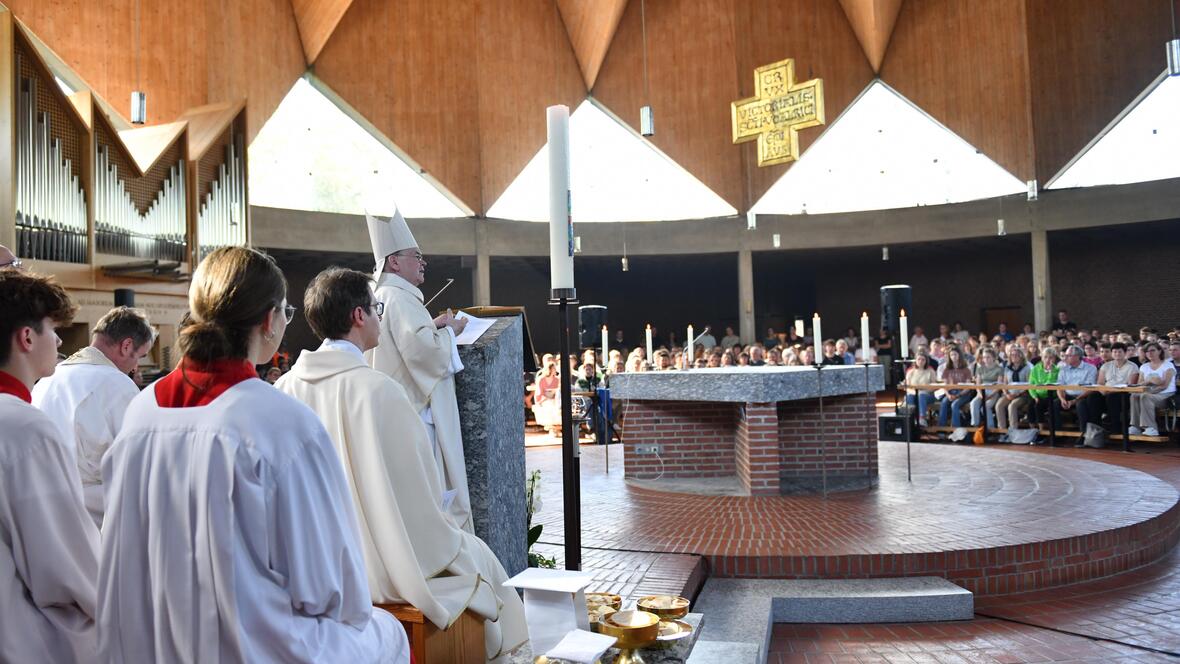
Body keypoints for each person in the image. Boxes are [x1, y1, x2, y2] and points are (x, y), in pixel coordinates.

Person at [98, 247, 408, 662]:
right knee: (388, 634)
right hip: (250, 649)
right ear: (268, 319)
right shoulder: (278, 421)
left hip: (148, 646)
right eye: (286, 313)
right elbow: (331, 591)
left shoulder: (140, 411)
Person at [276, 268, 527, 660]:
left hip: (312, 568)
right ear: (359, 316)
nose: (381, 317)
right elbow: (422, 501)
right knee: (479, 560)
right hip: (382, 569)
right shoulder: (381, 391)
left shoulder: (284, 388)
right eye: (376, 309)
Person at [0, 269, 98, 663]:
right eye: (52, 329)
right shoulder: (25, 428)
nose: (59, 341)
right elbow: (67, 568)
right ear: (26, 337)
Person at [365, 208, 473, 532]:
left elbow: (407, 342)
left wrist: (433, 325)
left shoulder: (384, 297)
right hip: (417, 415)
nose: (423, 262)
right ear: (394, 262)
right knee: (432, 499)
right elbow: (425, 354)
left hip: (397, 413)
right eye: (417, 256)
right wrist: (451, 330)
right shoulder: (399, 298)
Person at [31, 306, 154, 525]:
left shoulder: (48, 378)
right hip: (95, 517)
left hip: (42, 510)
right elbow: (140, 464)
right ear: (126, 346)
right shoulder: (117, 384)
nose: (136, 367)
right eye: (140, 357)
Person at [1083, 342, 1138, 436]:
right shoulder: (1106, 366)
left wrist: (1110, 391)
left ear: (1125, 353)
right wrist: (1103, 391)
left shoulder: (1132, 366)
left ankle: (1115, 428)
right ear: (1112, 353)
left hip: (1123, 394)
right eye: (1115, 352)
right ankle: (1096, 429)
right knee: (1093, 397)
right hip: (1106, 392)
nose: (1117, 354)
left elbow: (1131, 385)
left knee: (1112, 398)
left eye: (1119, 352)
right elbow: (1100, 383)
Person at [1129, 342, 1175, 437]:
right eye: (1147, 351)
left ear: (1159, 351)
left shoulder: (1168, 365)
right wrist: (1149, 381)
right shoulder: (1144, 366)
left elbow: (1164, 385)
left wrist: (1150, 390)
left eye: (1152, 350)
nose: (1149, 353)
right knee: (1134, 396)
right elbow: (1140, 384)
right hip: (1149, 393)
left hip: (1166, 395)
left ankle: (1151, 427)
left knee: (1145, 397)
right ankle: (1135, 426)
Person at [995, 346, 1032, 436]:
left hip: (1022, 394)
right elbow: (1004, 383)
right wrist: (1006, 393)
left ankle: (1013, 432)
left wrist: (1017, 394)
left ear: (1021, 356)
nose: (1014, 357)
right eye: (1012, 355)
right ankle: (1002, 432)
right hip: (1009, 393)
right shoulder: (1007, 368)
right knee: (999, 405)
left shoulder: (1027, 368)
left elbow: (1029, 384)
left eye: (1016, 355)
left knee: (1012, 406)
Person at [1029, 347, 1061, 435]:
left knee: (1038, 406)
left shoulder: (1056, 370)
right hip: (1037, 394)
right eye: (1045, 357)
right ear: (1042, 358)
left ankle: (1041, 430)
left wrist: (1050, 372)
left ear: (1054, 359)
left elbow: (1050, 384)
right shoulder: (1036, 368)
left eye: (1051, 357)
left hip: (1050, 395)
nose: (1048, 360)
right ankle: (1032, 430)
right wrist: (1035, 396)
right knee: (1030, 405)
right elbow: (1031, 384)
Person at [969, 347, 1003, 428]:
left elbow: (999, 385)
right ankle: (975, 426)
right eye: (984, 357)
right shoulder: (980, 369)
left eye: (988, 357)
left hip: (993, 392)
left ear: (993, 358)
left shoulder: (999, 369)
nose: (986, 359)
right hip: (982, 392)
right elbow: (978, 384)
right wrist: (980, 394)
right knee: (973, 403)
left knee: (985, 407)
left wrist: (990, 395)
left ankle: (990, 428)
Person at [904, 353, 937, 427]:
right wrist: (915, 392)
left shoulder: (930, 371)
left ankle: (922, 418)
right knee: (910, 396)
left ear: (926, 361)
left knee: (921, 395)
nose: (921, 361)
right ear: (915, 360)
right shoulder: (911, 372)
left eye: (923, 360)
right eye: (919, 359)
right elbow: (907, 387)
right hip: (913, 394)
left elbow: (934, 386)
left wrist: (922, 392)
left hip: (927, 395)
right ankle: (912, 419)